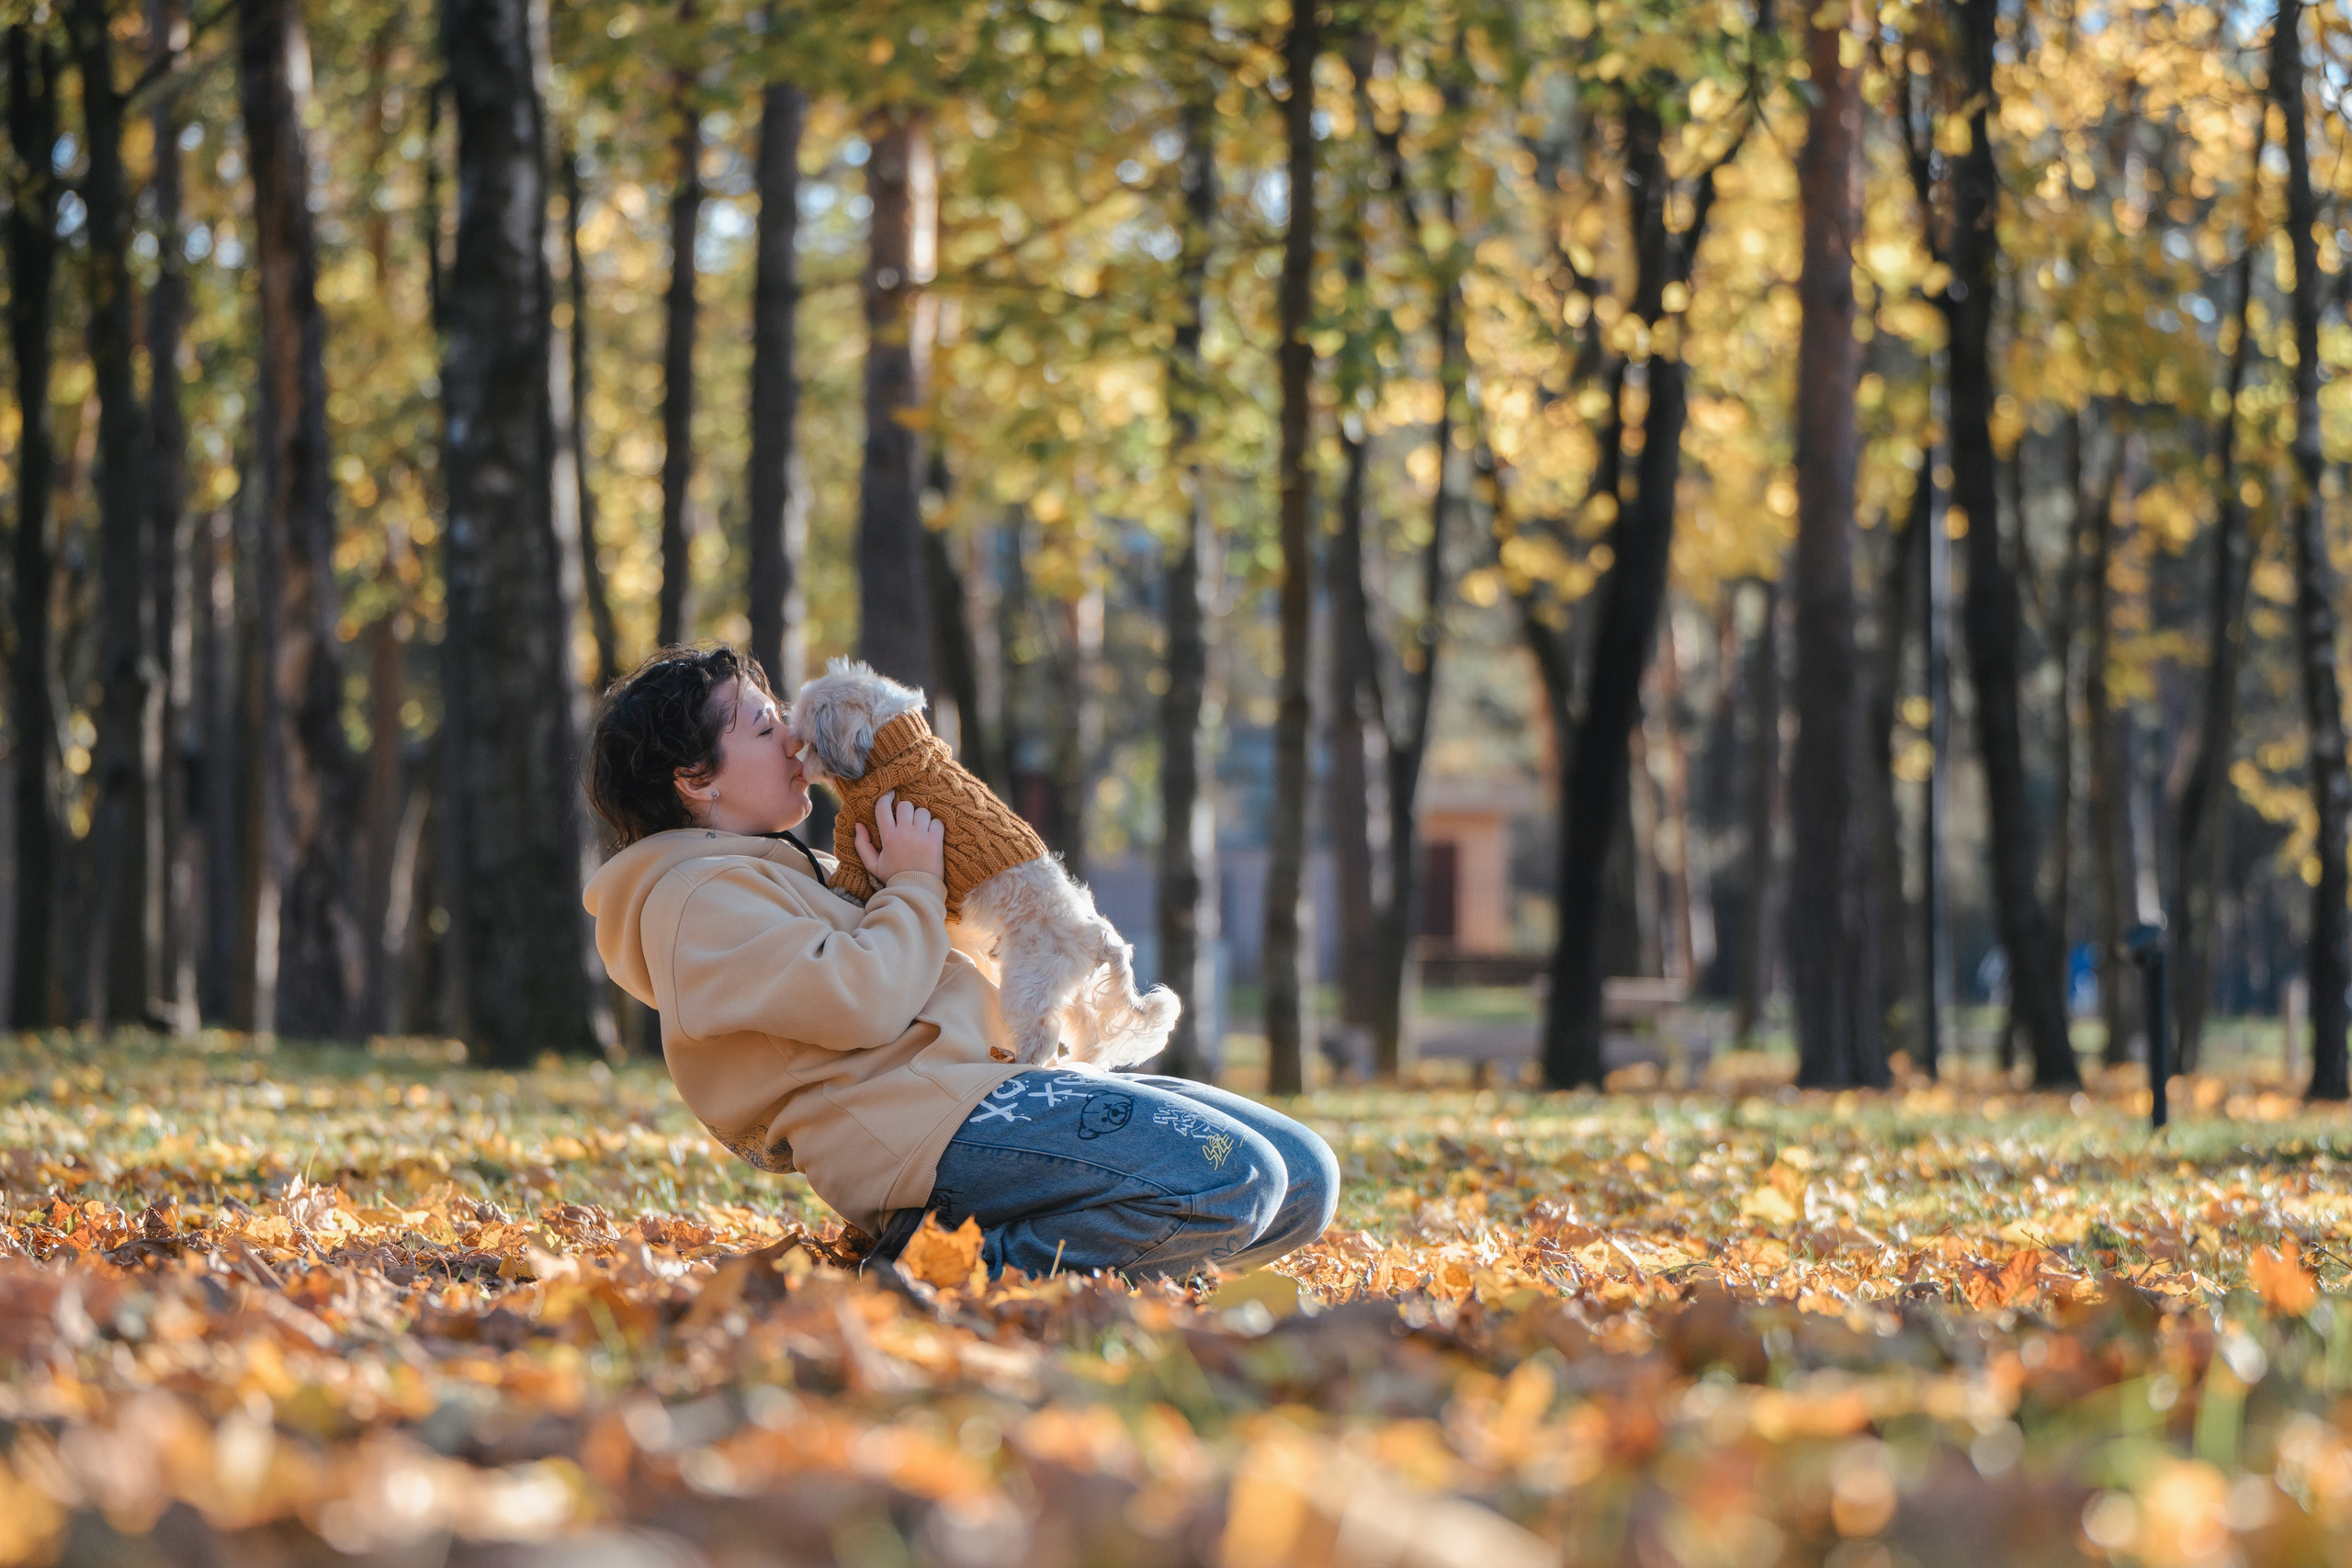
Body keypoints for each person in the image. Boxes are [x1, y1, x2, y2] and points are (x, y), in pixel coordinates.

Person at [582, 645, 1338, 1280]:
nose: (792, 740)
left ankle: (1080, 1247)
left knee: (1305, 1175)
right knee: (1238, 1178)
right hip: (919, 1128)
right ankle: (936, 1264)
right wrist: (912, 882)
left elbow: (934, 964)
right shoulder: (692, 899)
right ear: (696, 778)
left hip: (984, 1087)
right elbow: (862, 1000)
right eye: (763, 726)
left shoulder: (796, 868)